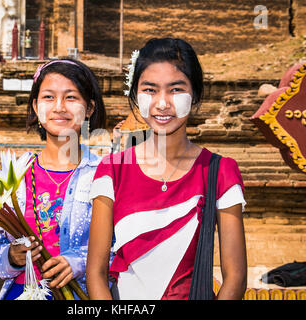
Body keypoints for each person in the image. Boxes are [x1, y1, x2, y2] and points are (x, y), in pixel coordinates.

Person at [87, 38, 247, 300]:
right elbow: (96, 273)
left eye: (175, 90)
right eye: (150, 90)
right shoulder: (112, 170)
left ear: (194, 95)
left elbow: (235, 277)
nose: (162, 103)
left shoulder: (220, 172)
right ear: (136, 96)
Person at [0, 58, 107, 300]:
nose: (59, 107)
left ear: (90, 108)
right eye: (48, 97)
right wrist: (12, 257)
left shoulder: (105, 174)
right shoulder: (14, 176)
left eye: (71, 97)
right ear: (35, 106)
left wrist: (80, 262)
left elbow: (123, 250)